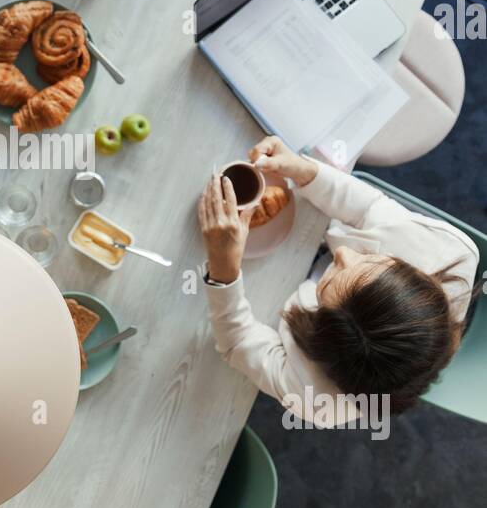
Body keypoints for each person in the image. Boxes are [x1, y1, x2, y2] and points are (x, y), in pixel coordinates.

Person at [197, 136, 478, 425]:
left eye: (330, 283)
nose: (342, 251)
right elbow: (367, 209)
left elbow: (237, 342)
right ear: (410, 273)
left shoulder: (318, 403)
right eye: (373, 260)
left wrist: (223, 269)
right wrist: (305, 171)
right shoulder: (445, 251)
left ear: (322, 337)